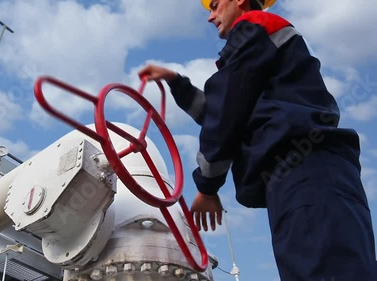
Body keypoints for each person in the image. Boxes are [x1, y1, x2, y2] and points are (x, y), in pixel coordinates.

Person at [138, 0, 377, 280]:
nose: (210, 16)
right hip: (309, 178)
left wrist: (208, 185)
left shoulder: (255, 27)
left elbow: (227, 112)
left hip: (304, 174)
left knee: (324, 270)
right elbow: (226, 112)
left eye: (214, 5)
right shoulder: (262, 48)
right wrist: (177, 82)